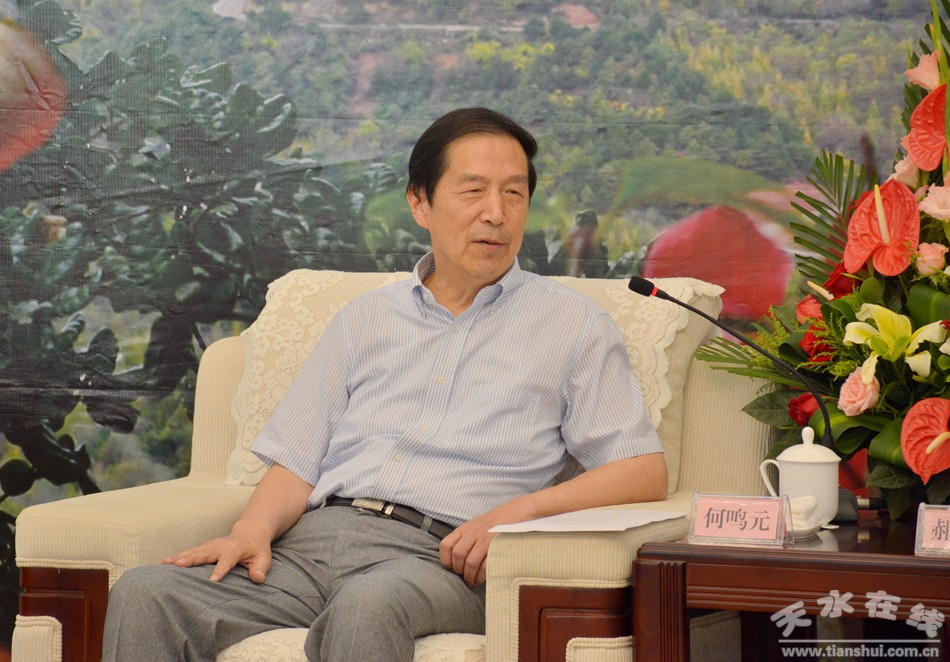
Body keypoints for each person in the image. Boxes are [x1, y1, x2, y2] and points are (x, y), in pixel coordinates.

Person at [101, 107, 667, 662]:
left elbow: (642, 469)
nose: (496, 213)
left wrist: (520, 513)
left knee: (367, 605)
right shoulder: (363, 318)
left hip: (438, 560)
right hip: (311, 545)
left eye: (514, 194)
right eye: (473, 191)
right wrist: (252, 529)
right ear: (420, 203)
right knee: (147, 594)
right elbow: (295, 461)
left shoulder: (573, 326)